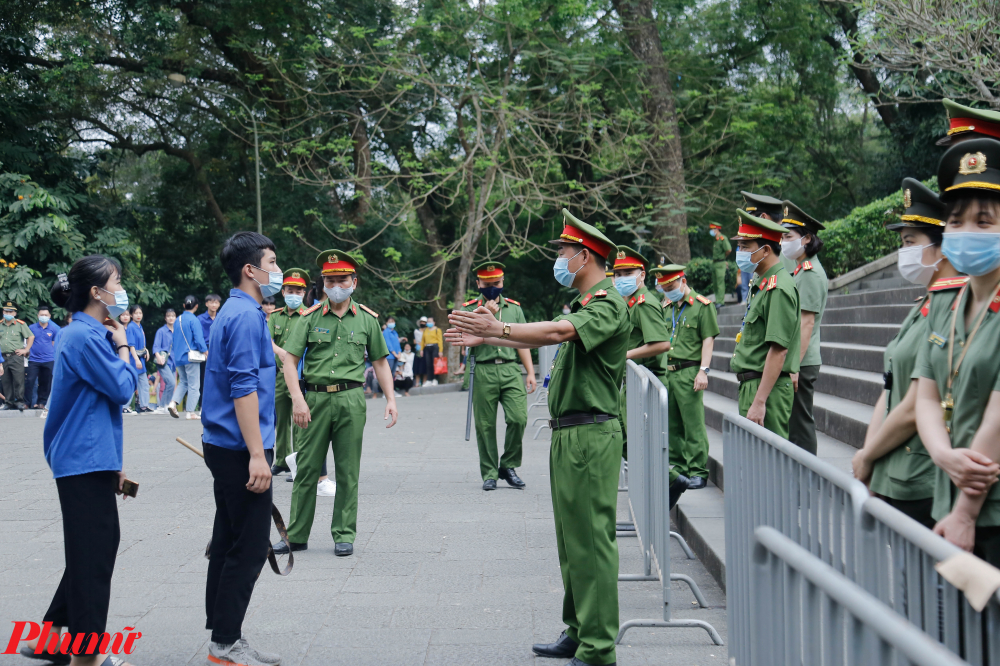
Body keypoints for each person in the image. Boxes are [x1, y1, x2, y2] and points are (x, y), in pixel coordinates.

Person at [447, 208, 629, 666]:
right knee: (572, 542)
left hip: (591, 433)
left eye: (565, 252)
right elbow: (545, 338)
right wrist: (489, 339)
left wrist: (499, 328)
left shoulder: (607, 302)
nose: (561, 259)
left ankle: (599, 646)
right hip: (571, 434)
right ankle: (579, 629)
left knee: (591, 541)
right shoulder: (586, 304)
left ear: (584, 256)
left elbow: (555, 332)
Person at [34, 256, 140, 666]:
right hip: (80, 458)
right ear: (97, 292)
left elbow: (95, 407)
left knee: (92, 548)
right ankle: (87, 657)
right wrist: (125, 343)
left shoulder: (85, 333)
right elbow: (122, 389)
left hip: (89, 456)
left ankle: (51, 635)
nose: (121, 289)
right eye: (116, 282)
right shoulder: (84, 336)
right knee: (93, 554)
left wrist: (114, 464)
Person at [273, 249, 398, 558]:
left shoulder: (367, 321)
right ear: (322, 284)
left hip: (351, 399)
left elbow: (381, 363)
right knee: (306, 470)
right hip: (313, 399)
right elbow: (290, 362)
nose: (336, 285)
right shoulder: (309, 317)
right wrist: (298, 400)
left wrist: (391, 399)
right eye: (330, 280)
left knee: (347, 470)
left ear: (354, 282)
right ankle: (296, 535)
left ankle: (344, 533)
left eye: (342, 280)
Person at [853, 178, 961, 528]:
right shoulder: (924, 303)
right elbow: (889, 388)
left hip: (923, 478)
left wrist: (869, 455)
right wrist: (868, 458)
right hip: (895, 472)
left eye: (911, 242)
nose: (905, 252)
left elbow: (918, 403)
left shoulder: (952, 305)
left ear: (942, 248)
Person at [915, 138, 1000, 565]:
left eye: (984, 222)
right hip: (946, 499)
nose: (967, 232)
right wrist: (943, 455)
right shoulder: (946, 301)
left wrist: (966, 511)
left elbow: (998, 417)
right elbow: (927, 396)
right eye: (956, 221)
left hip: (987, 512)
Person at [200, 231, 282, 666]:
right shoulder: (247, 316)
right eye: (271, 261)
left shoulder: (235, 310)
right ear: (250, 270)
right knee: (250, 545)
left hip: (222, 443)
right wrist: (257, 454)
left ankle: (221, 631)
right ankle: (225, 642)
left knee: (228, 538)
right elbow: (244, 388)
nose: (277, 269)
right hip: (238, 447)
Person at [460, 261, 537, 490]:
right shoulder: (469, 308)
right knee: (485, 425)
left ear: (503, 283)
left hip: (511, 368)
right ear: (478, 284)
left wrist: (530, 372)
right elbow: (462, 337)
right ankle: (490, 473)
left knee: (518, 418)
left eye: (496, 283)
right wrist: (484, 317)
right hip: (482, 368)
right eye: (487, 284)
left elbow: (522, 341)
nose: (492, 287)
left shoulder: (514, 308)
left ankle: (508, 464)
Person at [729, 209, 801, 437]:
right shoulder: (762, 283)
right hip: (754, 385)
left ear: (766, 250)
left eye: (745, 247)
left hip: (766, 389)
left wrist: (760, 401)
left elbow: (778, 350)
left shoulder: (778, 288)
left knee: (769, 468)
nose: (739, 253)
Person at [652, 264, 719, 501]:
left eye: (670, 286)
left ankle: (698, 470)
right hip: (667, 371)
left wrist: (703, 371)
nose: (667, 291)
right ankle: (679, 469)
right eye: (664, 288)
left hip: (689, 371)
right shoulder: (666, 306)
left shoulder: (702, 306)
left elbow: (708, 340)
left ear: (682, 280)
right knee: (671, 423)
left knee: (693, 424)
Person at [611, 247, 670, 461]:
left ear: (642, 275)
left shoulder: (645, 303)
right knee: (624, 436)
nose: (621, 278)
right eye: (618, 274)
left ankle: (668, 485)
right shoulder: (631, 303)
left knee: (642, 444)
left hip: (647, 380)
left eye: (628, 273)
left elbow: (662, 343)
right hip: (634, 381)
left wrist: (625, 355)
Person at [780, 201, 828, 455]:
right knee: (794, 420)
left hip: (802, 360)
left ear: (807, 238)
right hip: (798, 358)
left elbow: (806, 323)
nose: (783, 242)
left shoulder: (809, 274)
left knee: (800, 423)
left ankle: (808, 478)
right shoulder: (801, 270)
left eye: (789, 237)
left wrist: (794, 366)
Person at [268, 268, 311, 476]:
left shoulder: (309, 316)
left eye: (298, 291)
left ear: (304, 294)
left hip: (300, 376)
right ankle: (282, 460)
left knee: (299, 418)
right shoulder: (275, 316)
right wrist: (280, 352)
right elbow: (265, 340)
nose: (294, 294)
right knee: (281, 419)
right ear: (283, 292)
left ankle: (298, 461)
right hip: (278, 375)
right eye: (290, 290)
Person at [167, 295, 207, 420]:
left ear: (184, 306)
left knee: (183, 382)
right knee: (194, 385)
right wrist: (205, 351)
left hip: (179, 357)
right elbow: (199, 339)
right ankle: (190, 412)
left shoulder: (178, 320)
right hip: (191, 357)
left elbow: (173, 339)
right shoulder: (194, 320)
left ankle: (173, 403)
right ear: (196, 306)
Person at [27, 304, 60, 409]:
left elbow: (54, 343)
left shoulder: (54, 329)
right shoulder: (31, 328)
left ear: (49, 316)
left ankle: (41, 403)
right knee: (29, 381)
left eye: (46, 315)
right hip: (33, 359)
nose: (44, 316)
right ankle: (26, 403)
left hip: (48, 359)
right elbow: (28, 342)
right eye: (42, 314)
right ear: (38, 315)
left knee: (45, 382)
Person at [127, 305, 153, 414]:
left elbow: (141, 344)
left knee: (144, 384)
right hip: (134, 359)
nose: (138, 315)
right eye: (136, 313)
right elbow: (131, 345)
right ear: (132, 315)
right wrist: (136, 359)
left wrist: (146, 350)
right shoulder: (131, 327)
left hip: (140, 359)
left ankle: (144, 406)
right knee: (132, 383)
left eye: (140, 313)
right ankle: (125, 406)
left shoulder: (140, 326)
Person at [197, 293, 222, 404]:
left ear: (219, 304)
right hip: (204, 350)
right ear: (207, 304)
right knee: (204, 377)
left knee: (220, 376)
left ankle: (218, 403)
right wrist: (204, 351)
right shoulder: (200, 319)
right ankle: (203, 404)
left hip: (219, 349)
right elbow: (198, 337)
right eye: (211, 302)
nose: (214, 305)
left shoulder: (222, 317)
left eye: (216, 302)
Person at [152, 309, 176, 412]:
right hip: (163, 361)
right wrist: (158, 357)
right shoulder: (161, 331)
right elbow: (156, 346)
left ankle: (162, 406)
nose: (171, 318)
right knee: (171, 383)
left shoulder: (177, 331)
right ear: (165, 318)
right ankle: (164, 405)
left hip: (174, 362)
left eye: (173, 316)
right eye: (169, 316)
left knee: (169, 384)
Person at [709, 222, 732, 308]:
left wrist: (723, 257)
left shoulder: (723, 238)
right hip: (714, 263)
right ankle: (717, 300)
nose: (711, 231)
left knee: (720, 283)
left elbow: (728, 249)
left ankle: (720, 301)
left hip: (721, 263)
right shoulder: (715, 239)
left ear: (717, 229)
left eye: (713, 229)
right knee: (715, 284)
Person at [382, 316, 402, 396]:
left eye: (393, 321)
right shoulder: (386, 332)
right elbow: (388, 344)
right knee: (388, 374)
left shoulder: (394, 332)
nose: (392, 323)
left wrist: (399, 353)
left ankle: (391, 391)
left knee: (392, 374)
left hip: (396, 356)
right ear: (386, 323)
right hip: (390, 356)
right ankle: (386, 392)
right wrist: (395, 354)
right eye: (390, 321)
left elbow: (397, 343)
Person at [422, 315, 444, 384]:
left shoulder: (437, 330)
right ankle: (429, 379)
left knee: (435, 363)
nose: (429, 323)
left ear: (434, 322)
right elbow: (423, 340)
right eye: (428, 321)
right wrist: (421, 349)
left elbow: (440, 341)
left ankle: (435, 379)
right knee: (428, 364)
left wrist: (440, 351)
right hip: (427, 347)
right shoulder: (425, 330)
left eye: (430, 321)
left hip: (435, 347)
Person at [412, 316, 426, 386]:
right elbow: (415, 341)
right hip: (418, 350)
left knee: (425, 367)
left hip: (425, 350)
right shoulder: (416, 331)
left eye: (423, 322)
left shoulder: (427, 331)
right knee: (417, 367)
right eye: (421, 322)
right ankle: (417, 383)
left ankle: (424, 382)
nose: (422, 323)